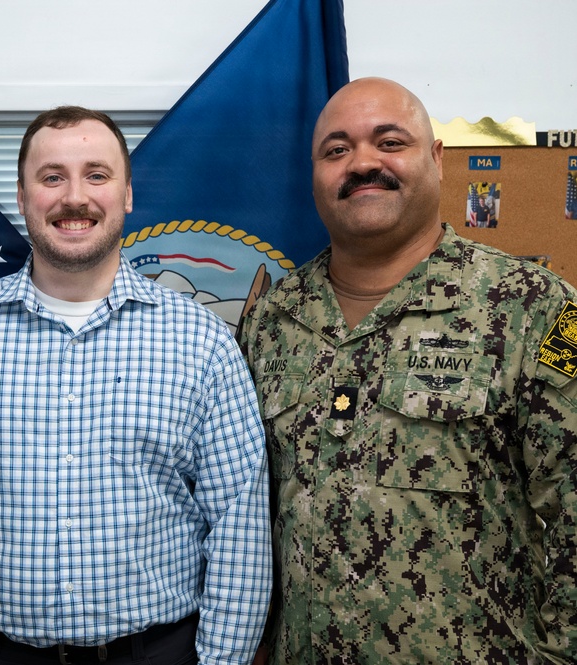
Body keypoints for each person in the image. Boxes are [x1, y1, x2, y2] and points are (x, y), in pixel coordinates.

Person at [0, 106, 271, 665]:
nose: (75, 197)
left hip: (156, 652)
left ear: (127, 194)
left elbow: (239, 528)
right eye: (52, 177)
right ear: (22, 196)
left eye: (96, 174)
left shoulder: (201, 340)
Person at [241, 77, 577, 663]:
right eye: (336, 150)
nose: (362, 163)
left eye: (389, 142)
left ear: (437, 159)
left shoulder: (537, 308)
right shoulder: (268, 323)